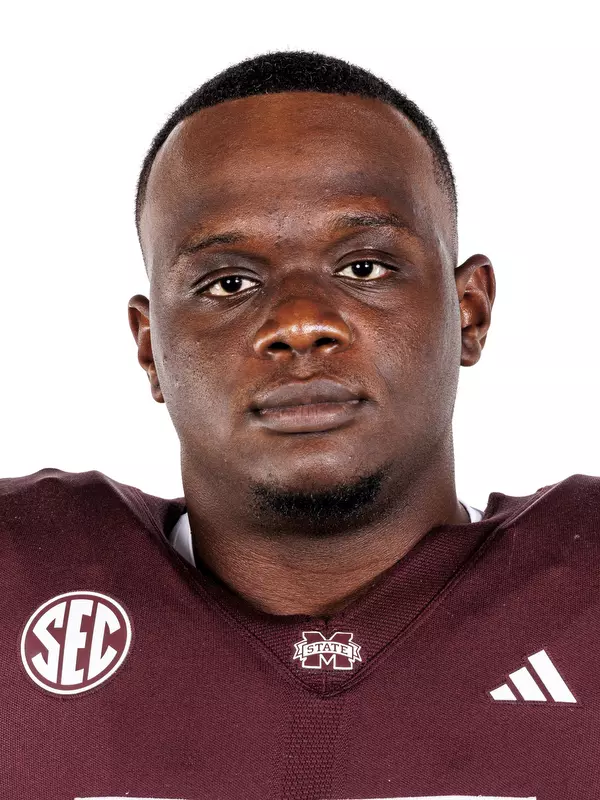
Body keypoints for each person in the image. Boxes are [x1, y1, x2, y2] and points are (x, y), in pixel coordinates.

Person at [1, 50, 597, 800]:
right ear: (151, 350)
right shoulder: (20, 577)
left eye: (364, 268)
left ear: (470, 312)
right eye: (230, 282)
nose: (301, 324)